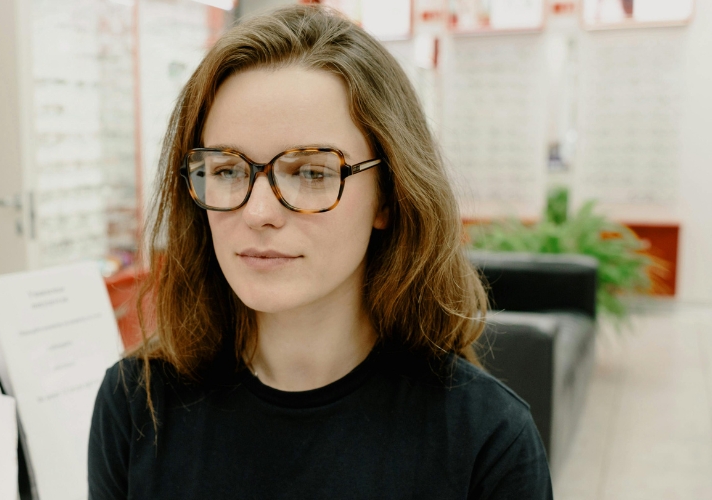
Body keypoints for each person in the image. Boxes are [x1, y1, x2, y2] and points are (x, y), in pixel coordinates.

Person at [89, 5, 552, 499]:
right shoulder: (137, 404)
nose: (258, 212)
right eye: (225, 170)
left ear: (389, 196)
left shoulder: (487, 440)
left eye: (311, 172)